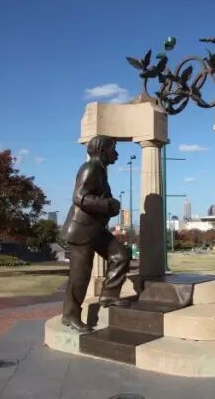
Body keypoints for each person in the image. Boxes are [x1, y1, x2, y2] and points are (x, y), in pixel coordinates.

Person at [60, 135, 131, 332]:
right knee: (80, 277)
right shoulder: (89, 168)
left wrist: (111, 205)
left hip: (94, 229)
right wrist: (107, 204)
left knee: (120, 255)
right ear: (102, 151)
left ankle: (109, 295)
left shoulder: (100, 170)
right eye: (113, 149)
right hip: (80, 231)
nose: (116, 154)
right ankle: (70, 315)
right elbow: (79, 197)